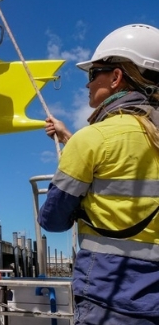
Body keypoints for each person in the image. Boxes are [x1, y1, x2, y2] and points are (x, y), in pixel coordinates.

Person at [39, 24, 159, 324]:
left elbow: (51, 220)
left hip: (109, 299)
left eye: (93, 74)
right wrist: (68, 136)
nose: (87, 85)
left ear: (116, 77)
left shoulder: (91, 140)